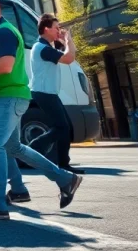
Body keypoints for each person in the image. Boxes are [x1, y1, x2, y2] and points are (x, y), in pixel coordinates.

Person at [0, 0, 82, 220]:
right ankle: (61, 180)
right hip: (1, 97)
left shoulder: (5, 32)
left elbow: (5, 66)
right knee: (13, 148)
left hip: (9, 97)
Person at [30, 14, 83, 175]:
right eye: (56, 28)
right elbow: (69, 58)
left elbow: (67, 54)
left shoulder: (46, 47)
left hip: (48, 92)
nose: (59, 30)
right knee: (62, 127)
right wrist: (68, 40)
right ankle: (32, 148)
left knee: (64, 127)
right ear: (46, 29)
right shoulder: (42, 48)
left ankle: (63, 163)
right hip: (43, 92)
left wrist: (63, 42)